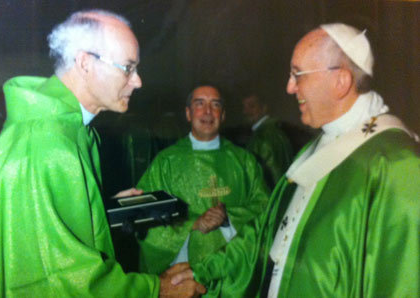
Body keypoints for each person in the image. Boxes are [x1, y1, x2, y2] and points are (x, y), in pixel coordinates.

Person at [172, 23, 420, 297]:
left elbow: (403, 282)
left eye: (297, 75)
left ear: (341, 82)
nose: (289, 88)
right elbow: (264, 234)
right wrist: (202, 270)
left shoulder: (397, 164)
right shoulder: (315, 149)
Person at [0, 9, 205, 297]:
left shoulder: (71, 128)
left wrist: (102, 210)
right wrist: (157, 289)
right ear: (85, 63)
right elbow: (63, 278)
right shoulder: (48, 143)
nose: (138, 81)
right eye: (128, 68)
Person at [137, 85, 270, 275]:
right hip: (183, 272)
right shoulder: (166, 162)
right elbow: (145, 218)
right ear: (188, 113)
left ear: (223, 115)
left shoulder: (244, 161)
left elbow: (266, 210)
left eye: (215, 105)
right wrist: (193, 224)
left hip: (233, 273)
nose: (208, 111)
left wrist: (229, 219)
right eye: (199, 104)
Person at [242, 93, 293, 189]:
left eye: (252, 106)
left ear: (264, 108)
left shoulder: (262, 137)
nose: (246, 111)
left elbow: (269, 179)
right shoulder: (276, 131)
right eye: (244, 107)